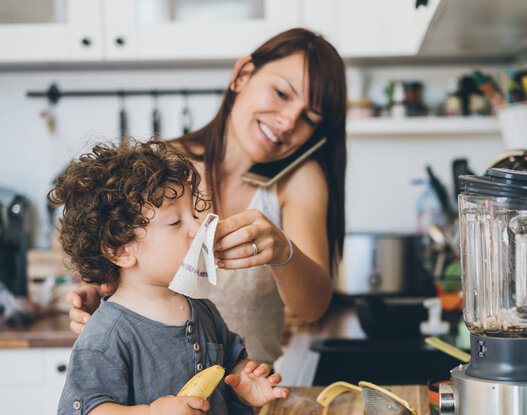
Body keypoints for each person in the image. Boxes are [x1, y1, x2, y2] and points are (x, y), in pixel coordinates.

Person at [66, 28, 347, 367]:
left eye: (309, 118)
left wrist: (283, 251)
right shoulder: (159, 168)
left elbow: (312, 307)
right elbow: (118, 257)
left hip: (249, 400)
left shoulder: (299, 180)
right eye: (281, 93)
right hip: (159, 405)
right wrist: (99, 289)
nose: (288, 121)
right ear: (243, 75)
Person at [49, 139, 289, 415]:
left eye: (194, 214)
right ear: (120, 250)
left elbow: (231, 362)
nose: (197, 229)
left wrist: (244, 383)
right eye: (176, 222)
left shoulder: (203, 310)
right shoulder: (108, 333)